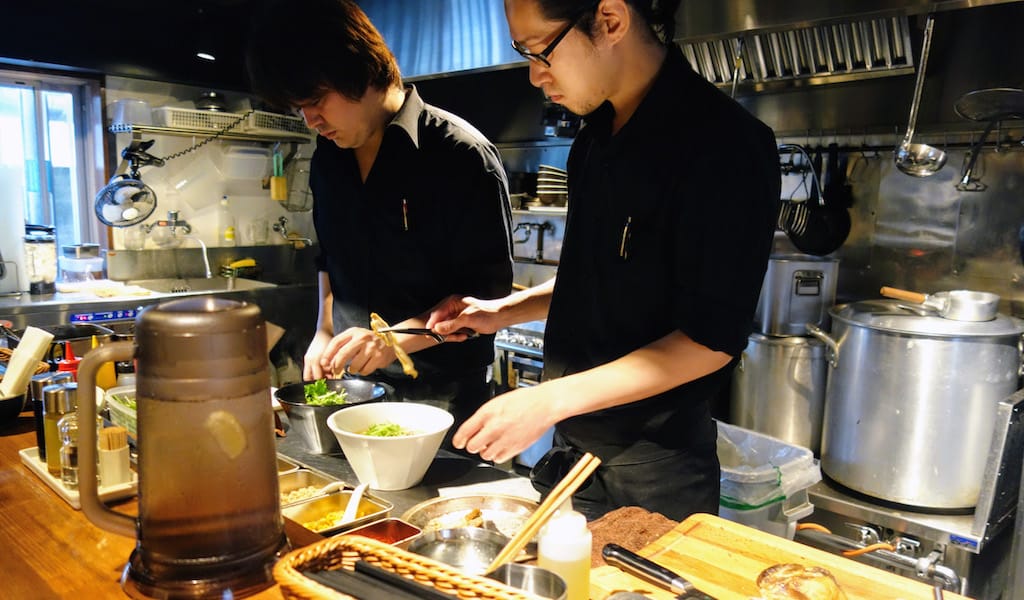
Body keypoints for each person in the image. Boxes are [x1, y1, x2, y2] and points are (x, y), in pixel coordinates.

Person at [427, 0, 780, 520]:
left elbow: (710, 342)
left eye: (540, 51)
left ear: (611, 20)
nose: (533, 75)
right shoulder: (594, 140)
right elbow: (597, 280)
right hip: (576, 452)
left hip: (657, 471)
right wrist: (502, 311)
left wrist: (548, 400)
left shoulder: (726, 145)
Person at [245, 0, 514, 432]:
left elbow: (487, 297)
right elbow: (329, 256)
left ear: (362, 70)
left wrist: (396, 340)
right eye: (299, 108)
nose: (311, 120)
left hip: (441, 392)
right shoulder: (328, 159)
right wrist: (325, 330)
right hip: (354, 384)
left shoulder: (461, 156)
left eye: (316, 101)